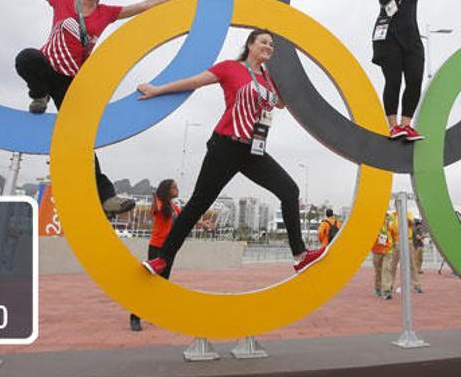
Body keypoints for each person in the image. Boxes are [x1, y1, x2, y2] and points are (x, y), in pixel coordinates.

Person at [0, 0, 196, 215]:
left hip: (74, 84)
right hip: (48, 68)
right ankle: (39, 95)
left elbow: (144, 6)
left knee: (82, 139)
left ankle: (106, 196)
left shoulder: (106, 13)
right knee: (27, 58)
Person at [136, 30, 326, 276]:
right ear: (250, 44)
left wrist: (286, 74)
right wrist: (157, 90)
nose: (269, 46)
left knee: (290, 191)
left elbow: (280, 103)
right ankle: (162, 259)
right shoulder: (230, 68)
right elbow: (194, 81)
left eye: (272, 44)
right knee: (198, 204)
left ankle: (299, 256)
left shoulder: (269, 80)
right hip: (225, 145)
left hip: (254, 151)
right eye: (264, 42)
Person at [338, 0, 447, 141]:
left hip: (412, 39)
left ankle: (407, 126)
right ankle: (393, 126)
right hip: (388, 38)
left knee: (415, 80)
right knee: (394, 81)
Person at [129, 179, 181, 332]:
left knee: (163, 283)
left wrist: (203, 224)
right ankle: (135, 317)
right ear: (167, 190)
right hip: (157, 249)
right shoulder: (160, 204)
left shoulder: (174, 207)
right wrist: (154, 198)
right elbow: (155, 209)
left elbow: (185, 220)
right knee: (150, 284)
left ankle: (156, 314)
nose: (177, 189)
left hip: (169, 249)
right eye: (174, 187)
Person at [371, 210, 398, 298]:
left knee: (387, 269)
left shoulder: (391, 220)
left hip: (388, 249)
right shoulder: (374, 221)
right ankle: (378, 288)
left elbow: (394, 233)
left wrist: (395, 244)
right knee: (378, 271)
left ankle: (387, 290)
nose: (385, 216)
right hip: (376, 249)